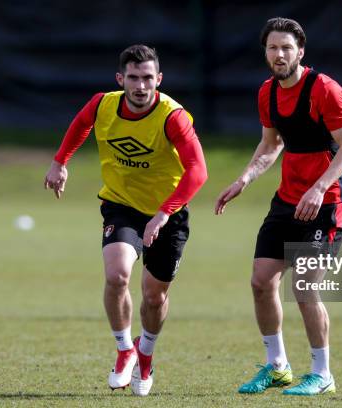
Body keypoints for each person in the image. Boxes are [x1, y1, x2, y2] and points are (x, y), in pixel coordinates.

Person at [44, 45, 207, 396]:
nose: (140, 85)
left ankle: (145, 355)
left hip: (169, 212)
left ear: (158, 80)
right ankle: (123, 349)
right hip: (122, 205)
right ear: (121, 79)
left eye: (148, 78)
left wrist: (164, 213)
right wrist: (60, 162)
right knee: (117, 275)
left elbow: (198, 170)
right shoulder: (104, 103)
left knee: (153, 296)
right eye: (133, 77)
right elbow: (81, 124)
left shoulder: (172, 116)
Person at [215, 17, 342, 396]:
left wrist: (320, 186)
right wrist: (243, 180)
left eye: (287, 48)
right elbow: (271, 143)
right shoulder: (267, 92)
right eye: (273, 48)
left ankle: (322, 373)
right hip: (288, 200)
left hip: (328, 201)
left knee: (305, 286)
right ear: (265, 52)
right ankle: (277, 367)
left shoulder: (325, 89)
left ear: (301, 52)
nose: (279, 55)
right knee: (261, 283)